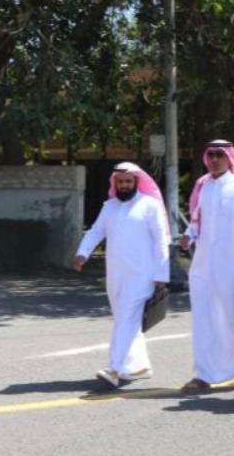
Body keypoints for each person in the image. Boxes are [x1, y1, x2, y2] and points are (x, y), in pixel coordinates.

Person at [73, 162, 171, 388]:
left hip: (142, 275)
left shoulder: (150, 205)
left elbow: (161, 242)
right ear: (115, 183)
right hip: (115, 275)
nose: (124, 185)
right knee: (125, 320)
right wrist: (82, 254)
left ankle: (114, 368)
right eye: (120, 182)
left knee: (126, 319)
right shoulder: (109, 207)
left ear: (136, 182)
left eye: (128, 181)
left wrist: (161, 274)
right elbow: (96, 232)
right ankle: (138, 367)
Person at [179, 140, 234, 391]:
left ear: (229, 157)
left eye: (219, 155)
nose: (214, 159)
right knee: (204, 319)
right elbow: (197, 220)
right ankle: (203, 374)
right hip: (204, 264)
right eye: (211, 155)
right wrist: (188, 235)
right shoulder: (203, 187)